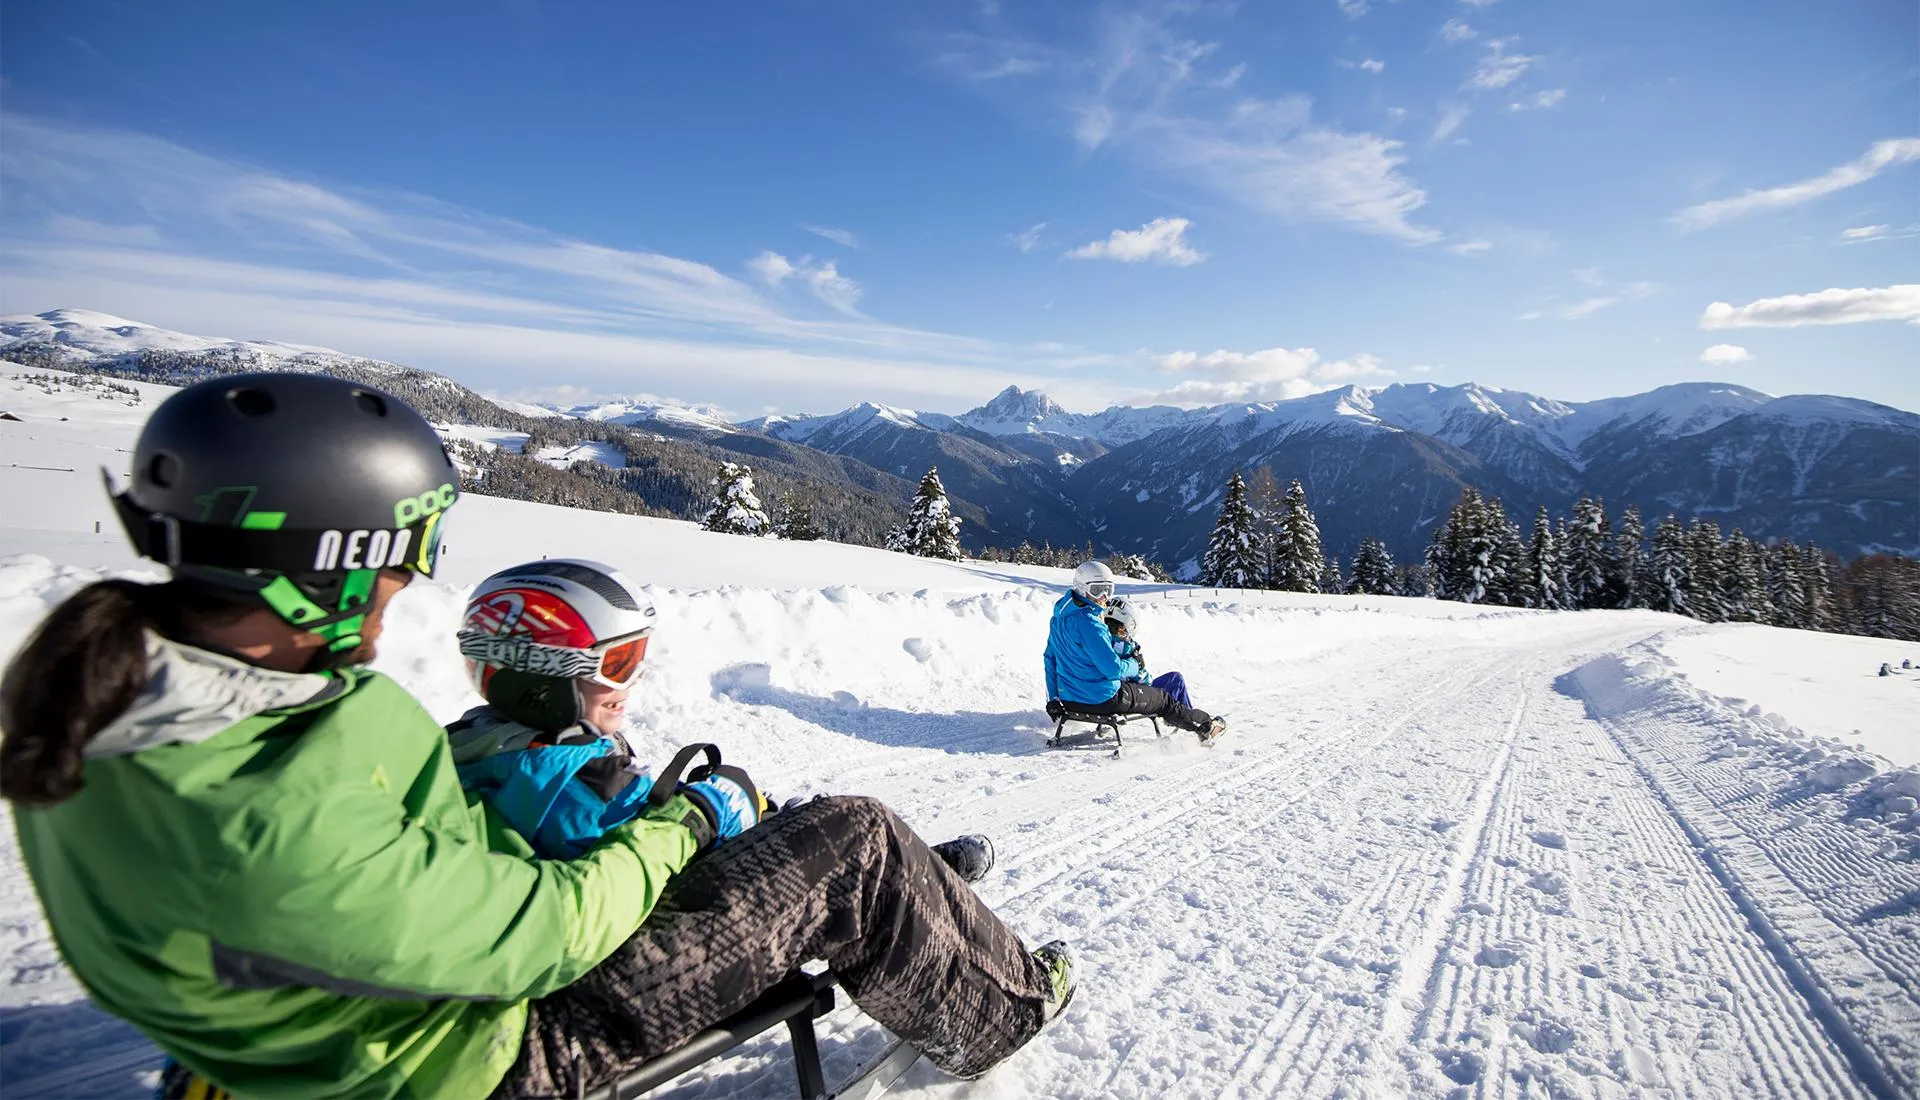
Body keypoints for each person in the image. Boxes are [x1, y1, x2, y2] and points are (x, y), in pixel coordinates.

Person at [0, 373, 1071, 1100]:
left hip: (323, 1029)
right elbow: (547, 931)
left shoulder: (97, 716)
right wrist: (683, 825)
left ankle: (913, 895)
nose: (403, 587)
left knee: (802, 853)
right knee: (855, 839)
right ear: (319, 562)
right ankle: (1007, 1002)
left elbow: (416, 847)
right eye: (395, 558)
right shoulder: (263, 821)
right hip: (496, 1048)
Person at [447, 556, 995, 880]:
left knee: (779, 811)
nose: (632, 681)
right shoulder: (563, 785)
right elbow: (645, 859)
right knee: (834, 824)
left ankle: (892, 861)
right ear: (544, 674)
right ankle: (892, 876)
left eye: (636, 659)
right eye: (618, 662)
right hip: (682, 930)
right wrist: (715, 806)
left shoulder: (489, 750)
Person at [1043, 560, 1225, 743]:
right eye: (1097, 590)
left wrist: (1053, 697)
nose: (1104, 596)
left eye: (1109, 589)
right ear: (1081, 588)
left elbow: (1050, 658)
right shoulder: (1090, 624)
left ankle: (1195, 723)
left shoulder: (1058, 619)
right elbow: (1113, 670)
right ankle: (1205, 728)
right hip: (1103, 699)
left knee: (1156, 693)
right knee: (1163, 699)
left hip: (1070, 700)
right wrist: (1135, 665)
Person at [1103, 596, 1198, 709]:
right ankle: (1187, 716)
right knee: (1175, 678)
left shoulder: (1098, 640)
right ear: (1131, 624)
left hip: (1106, 693)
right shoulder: (1124, 646)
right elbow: (1141, 679)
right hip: (1131, 694)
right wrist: (1140, 667)